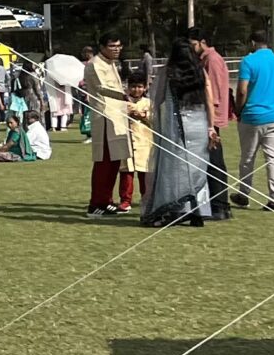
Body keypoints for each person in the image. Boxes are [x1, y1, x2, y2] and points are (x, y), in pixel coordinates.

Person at [142, 33, 216, 229]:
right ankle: (197, 210)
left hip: (177, 126)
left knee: (175, 168)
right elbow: (209, 100)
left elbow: (158, 99)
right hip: (199, 125)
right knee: (197, 168)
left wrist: (155, 120)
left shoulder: (168, 72)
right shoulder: (200, 71)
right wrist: (211, 127)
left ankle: (175, 209)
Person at [233, 31, 274, 212]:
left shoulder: (248, 61)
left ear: (253, 43)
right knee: (273, 158)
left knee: (247, 158)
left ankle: (244, 193)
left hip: (252, 116)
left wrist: (238, 110)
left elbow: (242, 91)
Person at [84, 35, 133, 217]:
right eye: (112, 46)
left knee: (115, 162)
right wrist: (125, 96)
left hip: (117, 117)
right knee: (103, 163)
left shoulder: (112, 63)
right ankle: (96, 203)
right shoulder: (94, 64)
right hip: (104, 117)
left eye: (119, 46)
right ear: (102, 47)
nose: (116, 49)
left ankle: (106, 201)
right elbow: (102, 88)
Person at [193, 28, 236, 219]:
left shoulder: (212, 60)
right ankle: (218, 204)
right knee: (211, 160)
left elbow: (215, 94)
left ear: (202, 42)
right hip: (209, 117)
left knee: (214, 162)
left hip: (211, 119)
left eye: (193, 44)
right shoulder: (206, 59)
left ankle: (220, 205)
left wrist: (210, 121)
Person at [124, 75, 155, 203]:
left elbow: (155, 120)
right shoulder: (123, 103)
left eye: (139, 87)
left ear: (145, 88)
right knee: (126, 172)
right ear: (128, 87)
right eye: (133, 87)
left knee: (145, 173)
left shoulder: (149, 103)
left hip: (145, 142)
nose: (136, 90)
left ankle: (146, 199)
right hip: (127, 141)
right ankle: (126, 201)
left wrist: (143, 115)